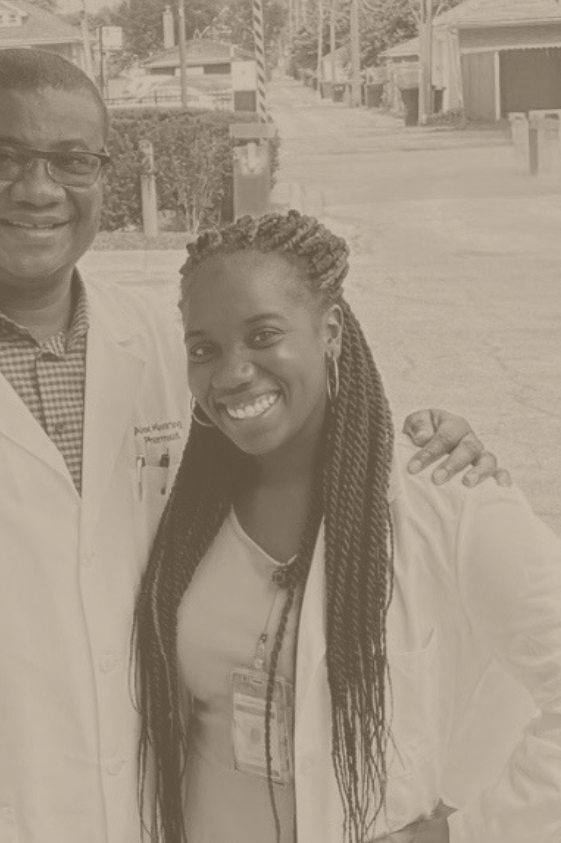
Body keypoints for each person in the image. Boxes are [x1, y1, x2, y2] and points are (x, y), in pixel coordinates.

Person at [0, 50, 506, 843]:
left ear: (104, 173)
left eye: (72, 161)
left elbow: (307, 452)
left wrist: (438, 453)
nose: (40, 189)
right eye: (2, 159)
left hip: (161, 813)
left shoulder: (170, 349)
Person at [133, 211, 560, 843]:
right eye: (206, 349)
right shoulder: (183, 506)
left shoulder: (439, 499)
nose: (231, 374)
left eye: (263, 335)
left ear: (329, 329)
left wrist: (467, 835)